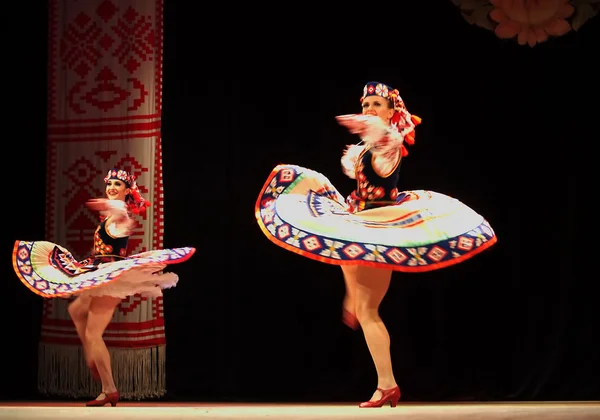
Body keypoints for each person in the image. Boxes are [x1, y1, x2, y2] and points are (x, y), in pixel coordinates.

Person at [254, 81, 497, 408]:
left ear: (391, 111)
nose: (368, 111)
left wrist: (375, 130)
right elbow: (356, 168)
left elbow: (383, 148)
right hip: (359, 218)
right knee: (340, 249)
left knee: (369, 311)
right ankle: (352, 303)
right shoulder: (366, 149)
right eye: (365, 105)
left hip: (379, 226)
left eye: (376, 106)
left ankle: (386, 384)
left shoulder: (388, 144)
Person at [12, 168, 196, 407]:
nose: (111, 188)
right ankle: (92, 356)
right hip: (99, 272)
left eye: (117, 185)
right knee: (76, 311)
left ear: (127, 190)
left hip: (111, 279)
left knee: (93, 333)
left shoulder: (120, 215)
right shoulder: (111, 216)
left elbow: (123, 219)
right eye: (109, 184)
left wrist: (116, 209)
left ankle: (109, 388)